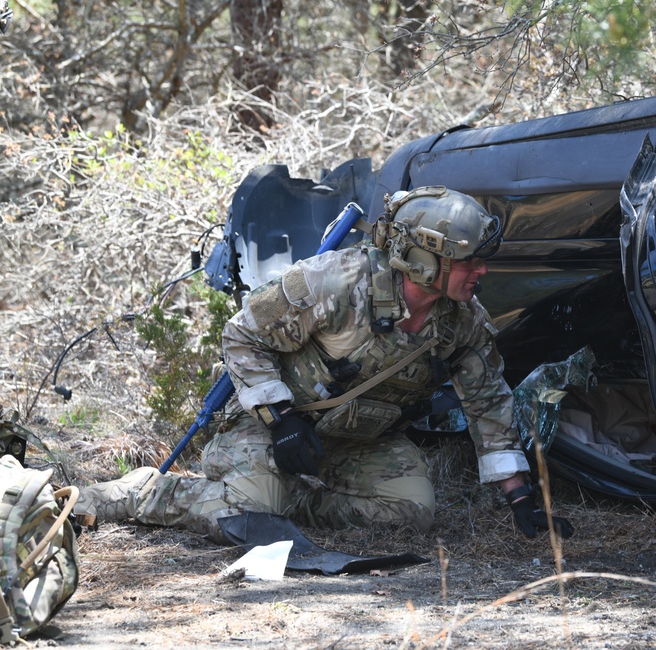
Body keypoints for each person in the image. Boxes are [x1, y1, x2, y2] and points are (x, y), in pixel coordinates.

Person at [76, 186, 574, 542]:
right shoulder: (336, 282)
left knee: (411, 515)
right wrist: (283, 421)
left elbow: (487, 399)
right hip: (279, 430)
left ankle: (291, 500)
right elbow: (243, 336)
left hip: (360, 441)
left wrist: (520, 498)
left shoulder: (461, 319)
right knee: (246, 513)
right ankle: (140, 492)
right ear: (426, 261)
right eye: (471, 261)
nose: (483, 272)